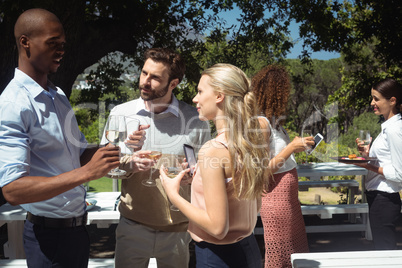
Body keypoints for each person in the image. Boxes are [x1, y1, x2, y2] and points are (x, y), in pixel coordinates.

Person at [0, 8, 144, 267]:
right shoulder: (13, 104)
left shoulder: (57, 95)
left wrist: (118, 149)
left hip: (76, 232)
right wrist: (88, 173)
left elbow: (77, 154)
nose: (61, 50)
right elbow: (12, 189)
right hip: (48, 239)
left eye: (63, 44)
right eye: (52, 43)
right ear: (25, 43)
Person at [103, 48, 211, 268]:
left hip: (177, 229)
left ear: (173, 83)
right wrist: (130, 162)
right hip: (132, 225)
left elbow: (205, 173)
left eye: (155, 78)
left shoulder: (196, 119)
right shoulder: (120, 114)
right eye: (144, 73)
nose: (145, 81)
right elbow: (105, 167)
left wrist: (192, 174)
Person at [160, 63, 270, 267]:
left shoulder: (213, 150)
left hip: (218, 257)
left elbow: (217, 227)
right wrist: (201, 177)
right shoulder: (250, 142)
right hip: (249, 251)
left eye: (200, 91)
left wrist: (173, 194)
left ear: (219, 96)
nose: (195, 99)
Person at [252, 65, 313, 267]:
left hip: (288, 199)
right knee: (280, 256)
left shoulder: (275, 123)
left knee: (295, 254)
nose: (286, 97)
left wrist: (297, 146)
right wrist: (291, 148)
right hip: (275, 199)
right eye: (283, 92)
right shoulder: (261, 123)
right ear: (274, 93)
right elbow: (260, 170)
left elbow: (279, 157)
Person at [351, 78, 402, 250]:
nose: (372, 103)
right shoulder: (387, 127)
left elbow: (399, 174)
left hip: (385, 199)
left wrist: (368, 166)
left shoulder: (395, 129)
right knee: (382, 250)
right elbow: (386, 160)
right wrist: (366, 155)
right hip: (378, 197)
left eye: (376, 98)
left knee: (385, 253)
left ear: (392, 101)